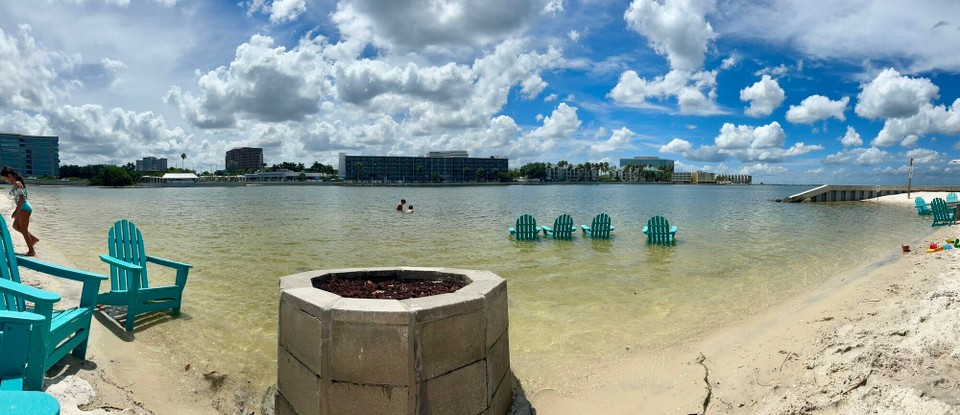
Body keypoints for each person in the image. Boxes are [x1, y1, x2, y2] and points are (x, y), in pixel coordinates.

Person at [1, 167, 38, 256]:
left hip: (24, 208)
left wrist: (16, 211)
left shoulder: (17, 183)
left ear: (10, 176)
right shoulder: (16, 183)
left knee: (24, 230)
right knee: (16, 226)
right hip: (22, 208)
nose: (5, 180)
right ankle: (33, 239)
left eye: (5, 178)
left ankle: (31, 251)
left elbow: (22, 198)